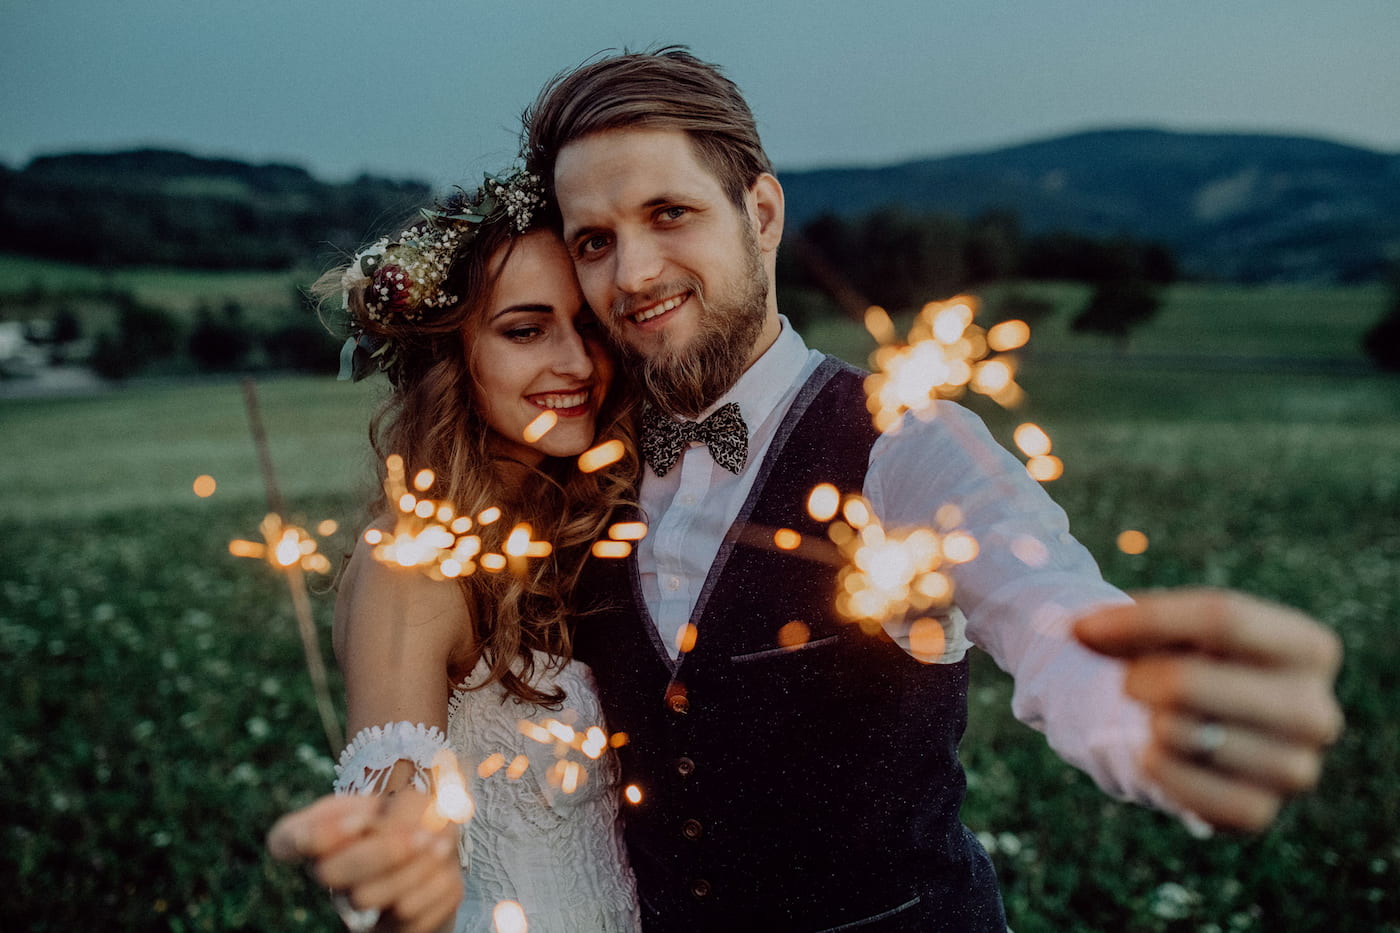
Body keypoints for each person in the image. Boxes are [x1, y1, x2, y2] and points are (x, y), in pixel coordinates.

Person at [512, 47, 1344, 931]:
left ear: (761, 213)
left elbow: (1044, 600)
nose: (633, 273)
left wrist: (1143, 710)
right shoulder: (582, 475)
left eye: (669, 213)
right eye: (595, 241)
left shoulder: (907, 442)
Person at [268, 171, 643, 933]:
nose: (577, 363)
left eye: (588, 325)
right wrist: (400, 869)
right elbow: (396, 832)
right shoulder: (412, 565)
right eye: (525, 330)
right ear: (449, 355)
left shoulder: (587, 528)